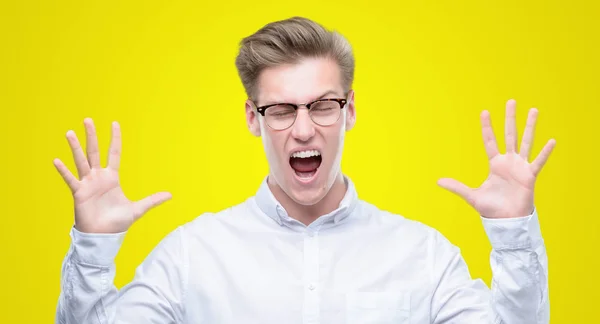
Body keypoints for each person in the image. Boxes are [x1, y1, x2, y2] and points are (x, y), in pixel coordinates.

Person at [54, 17, 555, 324]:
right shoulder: (192, 256)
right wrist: (94, 250)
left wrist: (513, 235)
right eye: (281, 109)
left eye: (322, 105)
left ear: (350, 111)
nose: (303, 130)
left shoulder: (422, 255)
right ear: (254, 118)